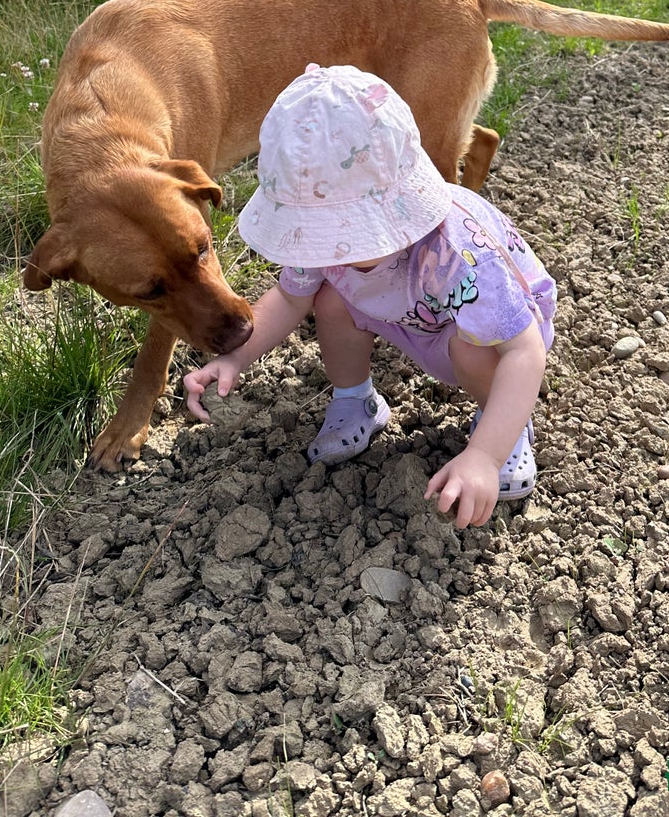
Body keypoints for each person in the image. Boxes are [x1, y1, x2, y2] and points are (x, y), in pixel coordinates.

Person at [183, 63, 556, 529]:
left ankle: (506, 427)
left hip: (493, 331)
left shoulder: (457, 252)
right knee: (331, 299)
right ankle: (356, 399)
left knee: (472, 347)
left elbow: (525, 350)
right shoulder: (317, 241)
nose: (337, 249)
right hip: (410, 315)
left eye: (349, 232)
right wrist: (235, 359)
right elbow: (289, 298)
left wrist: (483, 456)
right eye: (327, 233)